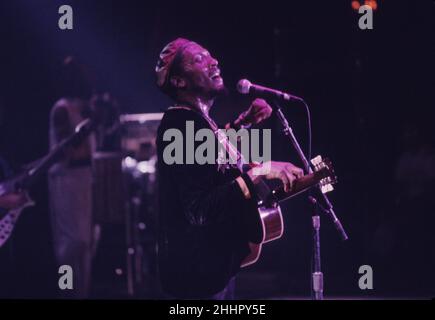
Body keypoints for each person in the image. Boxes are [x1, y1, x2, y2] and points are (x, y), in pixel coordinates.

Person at [155, 38, 304, 299]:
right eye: (199, 59)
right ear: (179, 81)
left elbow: (207, 159)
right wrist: (260, 171)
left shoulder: (195, 122)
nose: (214, 62)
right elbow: (199, 209)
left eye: (210, 56)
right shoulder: (179, 125)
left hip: (211, 271)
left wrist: (241, 124)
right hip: (194, 283)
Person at [48, 56, 96, 298]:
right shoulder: (62, 109)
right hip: (67, 182)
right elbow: (68, 152)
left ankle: (82, 293)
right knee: (71, 242)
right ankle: (66, 292)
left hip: (84, 180)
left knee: (86, 243)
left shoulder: (83, 107)